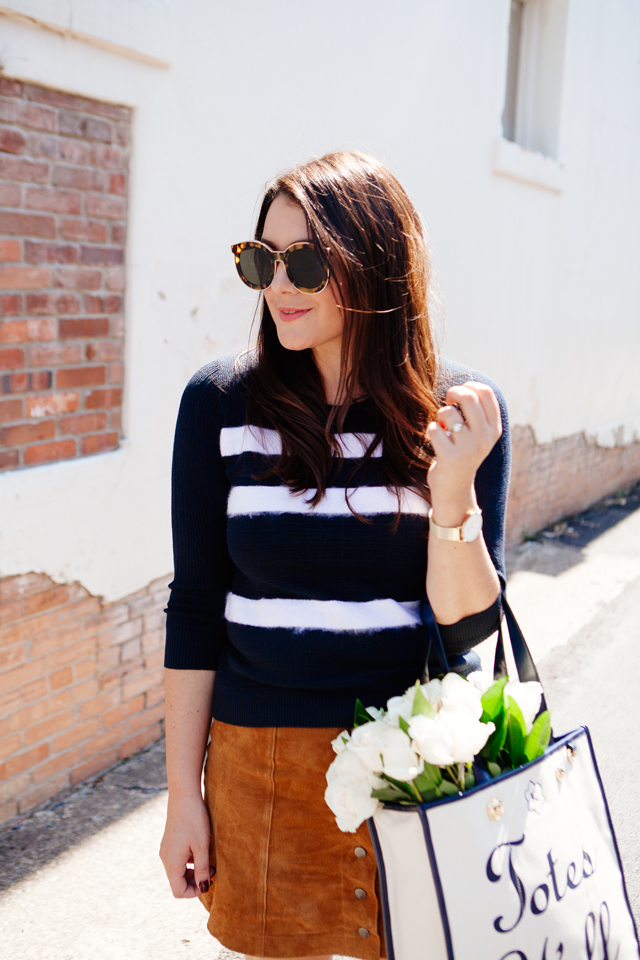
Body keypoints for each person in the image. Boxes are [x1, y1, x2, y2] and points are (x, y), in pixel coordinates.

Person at [160, 150, 509, 960]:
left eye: (307, 262)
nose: (279, 284)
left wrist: (452, 485)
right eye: (262, 259)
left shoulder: (459, 415)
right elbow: (195, 607)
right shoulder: (219, 402)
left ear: (376, 266)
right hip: (261, 766)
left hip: (414, 767)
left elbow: (468, 632)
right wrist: (184, 794)